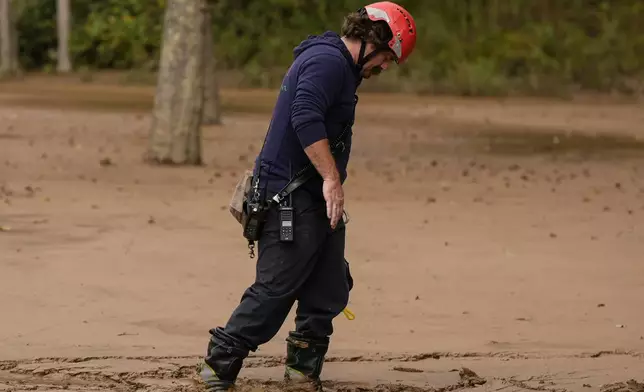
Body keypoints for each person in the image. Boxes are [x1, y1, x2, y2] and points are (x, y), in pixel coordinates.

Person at [199, 2, 417, 391]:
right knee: (277, 287)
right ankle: (218, 367)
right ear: (374, 40)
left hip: (315, 196)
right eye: (386, 57)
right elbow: (304, 116)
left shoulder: (343, 69)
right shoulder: (327, 62)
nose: (385, 67)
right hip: (288, 195)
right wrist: (332, 178)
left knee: (330, 284)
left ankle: (302, 371)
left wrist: (329, 185)